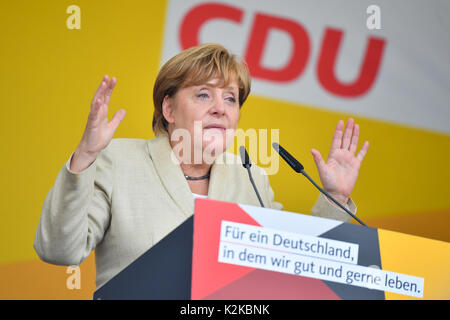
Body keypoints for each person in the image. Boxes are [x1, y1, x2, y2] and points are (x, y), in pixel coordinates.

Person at [34, 43, 369, 289]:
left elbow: (289, 272)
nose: (221, 108)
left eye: (230, 98)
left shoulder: (249, 177)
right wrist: (85, 157)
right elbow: (59, 249)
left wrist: (335, 197)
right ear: (169, 108)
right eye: (204, 95)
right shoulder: (118, 162)